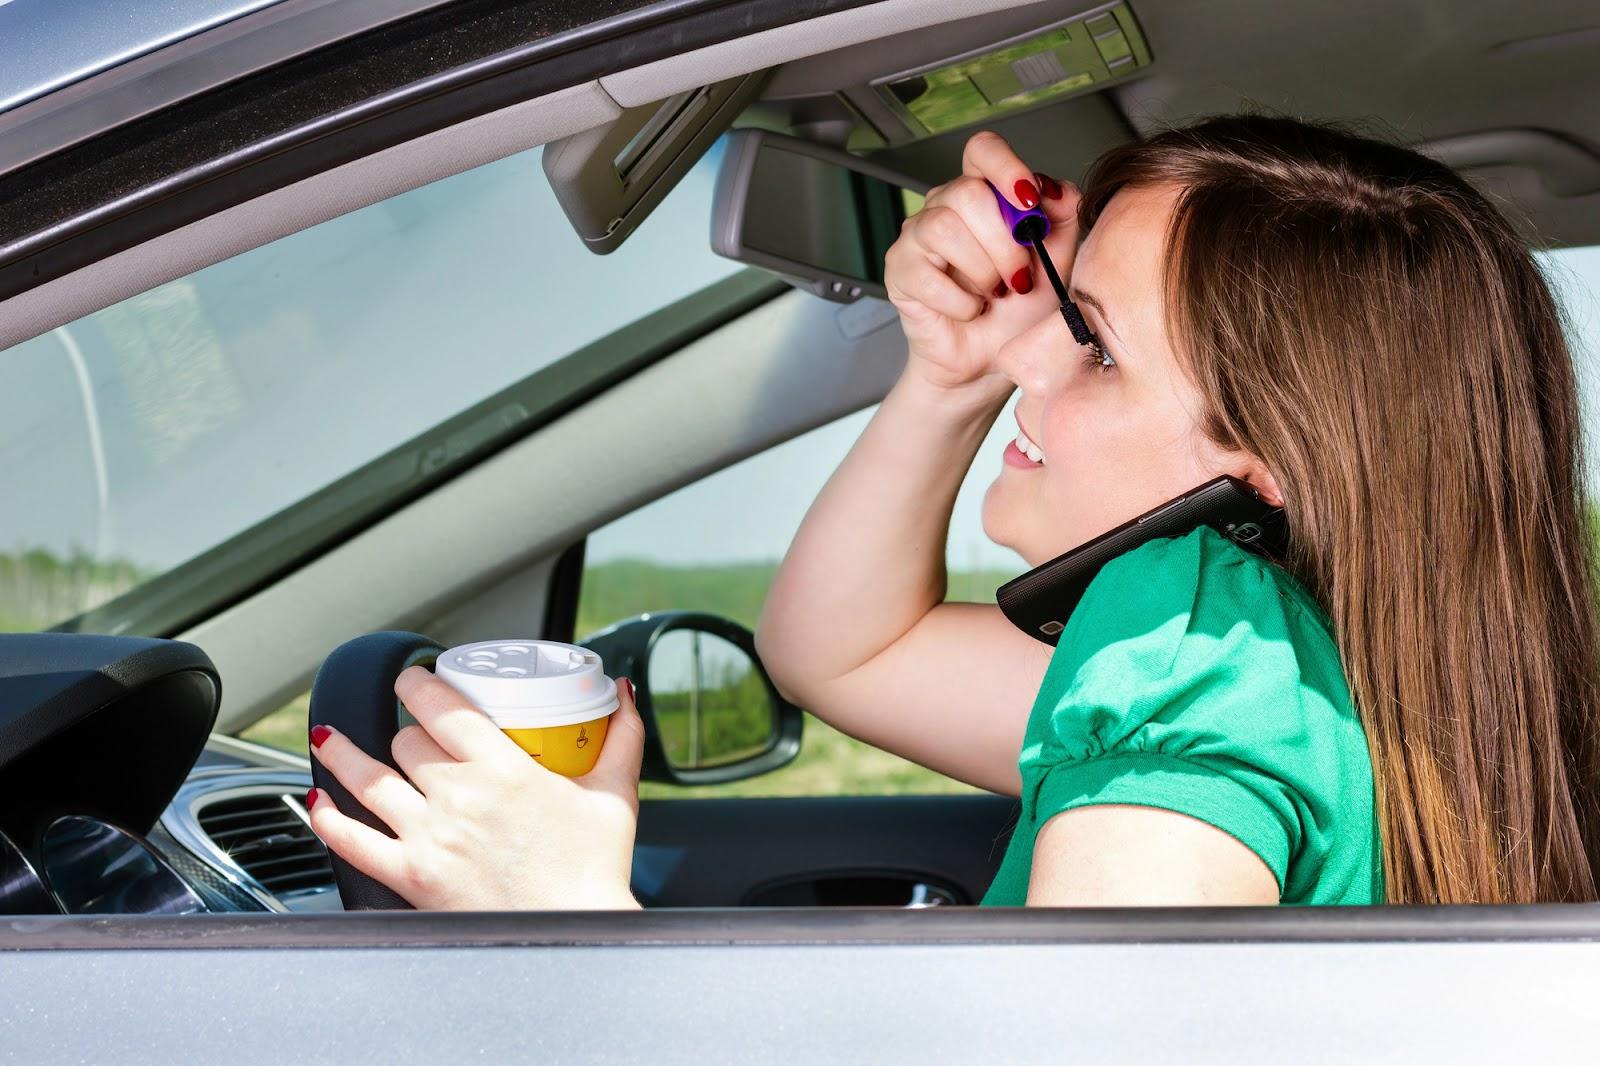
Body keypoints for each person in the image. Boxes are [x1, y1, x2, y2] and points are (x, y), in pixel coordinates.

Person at [305, 112, 1600, 908]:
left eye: (1091, 339)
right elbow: (837, 655)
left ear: (1261, 472)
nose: (1044, 352)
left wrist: (575, 922)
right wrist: (958, 371)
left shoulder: (1196, 632)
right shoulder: (1318, 675)